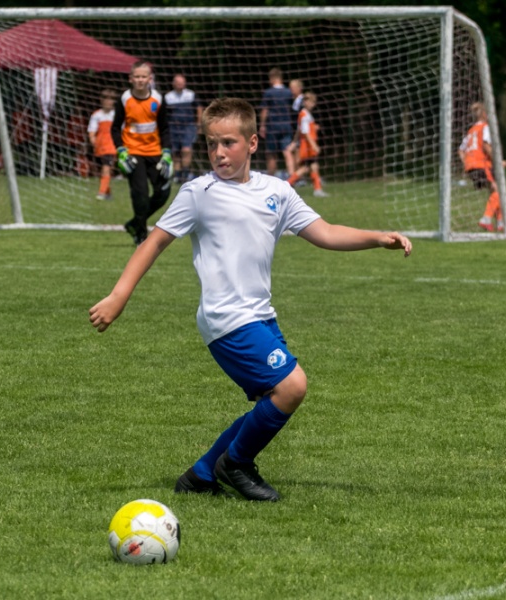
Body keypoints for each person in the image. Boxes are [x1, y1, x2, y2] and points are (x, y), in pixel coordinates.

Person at [89, 98, 412, 502]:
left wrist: (377, 237)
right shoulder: (199, 193)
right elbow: (153, 243)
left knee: (271, 399)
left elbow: (325, 232)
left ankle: (202, 473)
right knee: (292, 387)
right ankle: (236, 464)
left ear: (253, 142)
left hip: (261, 316)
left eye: (228, 142)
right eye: (211, 144)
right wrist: (119, 296)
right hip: (225, 318)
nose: (219, 153)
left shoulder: (276, 191)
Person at [111, 61, 173, 245]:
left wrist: (167, 153)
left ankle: (134, 223)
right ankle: (140, 234)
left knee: (164, 191)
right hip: (133, 153)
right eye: (136, 76)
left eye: (143, 76)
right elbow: (115, 128)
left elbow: (164, 128)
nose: (140, 80)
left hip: (155, 152)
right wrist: (121, 151)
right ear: (131, 79)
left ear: (150, 79)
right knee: (141, 195)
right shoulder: (124, 99)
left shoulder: (158, 99)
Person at [458, 102, 506, 232]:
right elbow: (486, 146)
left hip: (471, 166)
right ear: (484, 114)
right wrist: (498, 162)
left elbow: (461, 150)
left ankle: (501, 224)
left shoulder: (471, 130)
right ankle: (486, 219)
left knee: (494, 192)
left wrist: (467, 163)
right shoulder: (485, 127)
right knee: (498, 191)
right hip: (482, 165)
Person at [286, 92, 327, 197]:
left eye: (313, 102)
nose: (312, 104)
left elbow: (299, 130)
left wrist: (294, 142)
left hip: (308, 146)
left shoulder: (306, 114)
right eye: (309, 101)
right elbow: (305, 132)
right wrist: (314, 145)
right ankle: (316, 189)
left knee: (309, 167)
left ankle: (316, 189)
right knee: (309, 167)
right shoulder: (304, 115)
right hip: (307, 147)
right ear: (305, 102)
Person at [165, 74, 203, 183]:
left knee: (186, 149)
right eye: (178, 82)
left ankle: (185, 174)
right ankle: (177, 176)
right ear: (173, 84)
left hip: (188, 126)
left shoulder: (190, 95)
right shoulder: (168, 97)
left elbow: (199, 108)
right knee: (176, 152)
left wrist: (199, 124)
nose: (180, 84)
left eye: (182, 82)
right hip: (173, 127)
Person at [258, 68, 296, 179]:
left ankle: (271, 179)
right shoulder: (289, 92)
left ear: (272, 78)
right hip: (286, 125)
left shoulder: (269, 92)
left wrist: (262, 125)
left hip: (273, 126)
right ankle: (292, 179)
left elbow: (264, 110)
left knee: (271, 154)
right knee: (287, 152)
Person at [88, 89, 117, 200]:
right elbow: (92, 131)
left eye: (111, 100)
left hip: (112, 146)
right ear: (102, 101)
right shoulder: (97, 115)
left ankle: (101, 192)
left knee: (106, 168)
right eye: (106, 99)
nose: (108, 102)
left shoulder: (116, 115)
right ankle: (107, 193)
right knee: (106, 169)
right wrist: (93, 141)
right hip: (101, 146)